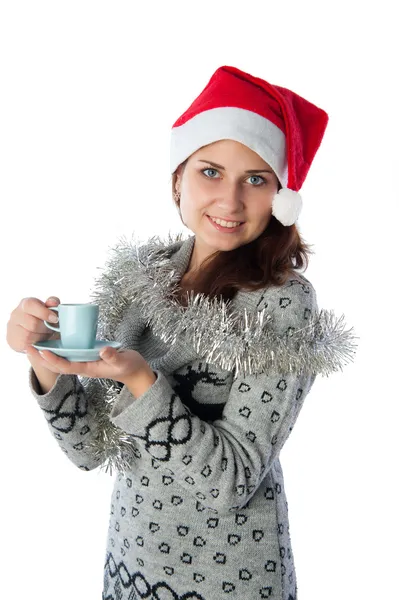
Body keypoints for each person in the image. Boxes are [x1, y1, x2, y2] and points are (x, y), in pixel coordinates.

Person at [6, 65, 357, 600]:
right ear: (178, 179)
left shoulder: (282, 303)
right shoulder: (146, 275)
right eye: (210, 172)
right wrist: (46, 364)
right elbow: (90, 448)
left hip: (225, 581)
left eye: (256, 179)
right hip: (130, 567)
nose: (230, 201)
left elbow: (232, 482)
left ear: (280, 197)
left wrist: (142, 379)